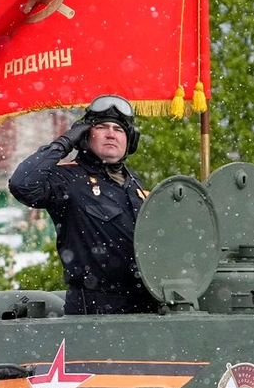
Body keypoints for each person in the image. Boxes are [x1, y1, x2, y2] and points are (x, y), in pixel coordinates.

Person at [9, 94, 159, 315]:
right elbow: (22, 185)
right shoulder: (69, 179)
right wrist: (65, 142)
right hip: (94, 309)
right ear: (85, 136)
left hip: (146, 306)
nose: (111, 134)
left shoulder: (135, 184)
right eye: (102, 127)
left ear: (130, 140)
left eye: (119, 130)